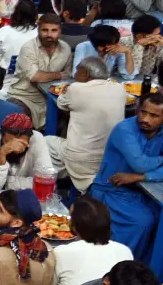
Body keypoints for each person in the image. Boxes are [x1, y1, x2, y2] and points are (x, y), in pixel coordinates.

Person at [89, 93, 163, 257]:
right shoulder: (124, 129)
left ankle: (147, 267)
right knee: (142, 222)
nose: (145, 119)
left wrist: (139, 177)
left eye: (154, 115)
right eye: (143, 112)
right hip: (112, 190)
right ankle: (117, 263)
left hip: (144, 192)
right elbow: (139, 164)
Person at [52, 57, 125, 193]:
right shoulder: (119, 88)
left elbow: (61, 103)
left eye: (77, 72)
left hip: (82, 160)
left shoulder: (76, 88)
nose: (74, 76)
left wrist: (67, 90)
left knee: (45, 142)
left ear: (85, 74)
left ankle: (55, 188)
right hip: (111, 158)